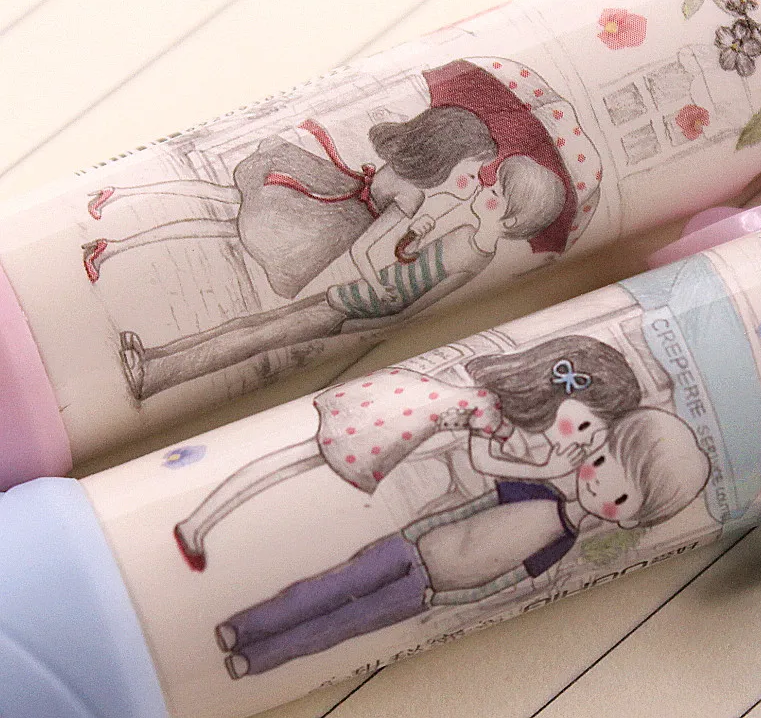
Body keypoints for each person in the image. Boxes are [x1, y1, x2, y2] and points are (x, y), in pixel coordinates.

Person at [213, 408, 710, 679]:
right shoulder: (537, 490)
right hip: (411, 547)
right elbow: (472, 509)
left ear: (629, 517)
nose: (598, 482)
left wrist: (446, 597)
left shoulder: (559, 546)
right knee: (325, 588)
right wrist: (412, 533)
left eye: (620, 496)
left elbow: (505, 580)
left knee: (344, 625)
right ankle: (245, 627)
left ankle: (255, 659)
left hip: (427, 591)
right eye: (601, 462)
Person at [172, 333, 642, 572]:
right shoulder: (490, 405)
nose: (574, 440)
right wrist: (544, 467)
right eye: (582, 426)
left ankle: (200, 524)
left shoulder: (495, 400)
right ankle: (197, 525)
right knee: (292, 463)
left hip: (392, 415)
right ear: (555, 390)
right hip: (387, 427)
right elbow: (483, 461)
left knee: (293, 462)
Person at [119, 154, 566, 400]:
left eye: (496, 192)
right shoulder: (465, 230)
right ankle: (157, 357)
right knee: (252, 324)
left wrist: (362, 321)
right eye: (492, 182)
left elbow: (419, 305)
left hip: (357, 308)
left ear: (511, 219)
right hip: (353, 293)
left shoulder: (477, 255)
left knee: (258, 336)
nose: (485, 188)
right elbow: (412, 256)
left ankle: (154, 377)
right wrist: (419, 232)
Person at [82, 108, 498, 296]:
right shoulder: (413, 195)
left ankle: (119, 198)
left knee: (224, 200)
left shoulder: (403, 167)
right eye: (471, 163)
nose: (473, 174)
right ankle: (112, 245)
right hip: (325, 219)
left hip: (326, 188)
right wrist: (379, 288)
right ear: (450, 155)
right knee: (227, 223)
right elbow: (363, 251)